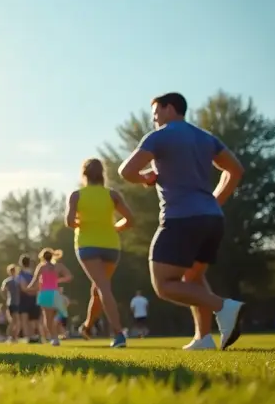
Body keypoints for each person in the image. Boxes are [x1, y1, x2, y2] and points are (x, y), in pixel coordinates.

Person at [118, 92, 245, 351]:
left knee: (164, 284)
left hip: (180, 219)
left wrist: (148, 178)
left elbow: (126, 171)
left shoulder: (160, 135)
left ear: (169, 108)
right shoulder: (205, 137)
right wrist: (215, 201)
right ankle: (203, 338)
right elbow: (235, 170)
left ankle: (225, 307)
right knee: (192, 279)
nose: (154, 120)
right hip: (211, 220)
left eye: (155, 113)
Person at [65, 158, 135, 348]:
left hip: (88, 246)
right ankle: (87, 327)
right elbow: (130, 219)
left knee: (103, 288)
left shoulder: (76, 195)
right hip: (111, 246)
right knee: (98, 289)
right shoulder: (112, 195)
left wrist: (83, 223)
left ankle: (119, 334)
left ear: (84, 175)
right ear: (102, 174)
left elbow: (70, 222)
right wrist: (115, 228)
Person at [24, 249, 73, 346]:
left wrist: (27, 288)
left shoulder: (41, 267)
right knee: (59, 314)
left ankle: (54, 338)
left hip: (44, 294)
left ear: (42, 257)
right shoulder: (58, 266)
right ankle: (58, 334)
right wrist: (57, 280)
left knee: (47, 318)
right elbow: (69, 276)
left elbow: (34, 280)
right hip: (55, 293)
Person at [16, 256, 41, 342]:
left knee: (28, 319)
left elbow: (25, 288)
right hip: (28, 298)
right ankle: (30, 336)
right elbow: (26, 288)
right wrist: (33, 290)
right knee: (28, 319)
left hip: (26, 298)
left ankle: (30, 336)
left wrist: (30, 290)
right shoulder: (28, 275)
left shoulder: (23, 275)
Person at [0, 264, 22, 342]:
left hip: (11, 302)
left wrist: (6, 297)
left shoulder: (7, 280)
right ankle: (11, 336)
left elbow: (2, 290)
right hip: (14, 302)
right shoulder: (16, 280)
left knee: (14, 320)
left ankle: (13, 336)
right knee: (15, 321)